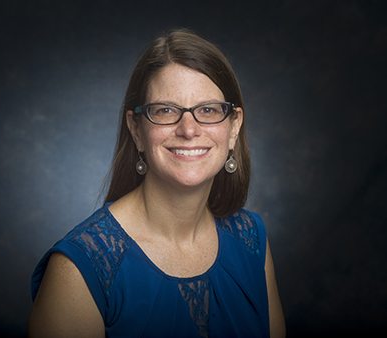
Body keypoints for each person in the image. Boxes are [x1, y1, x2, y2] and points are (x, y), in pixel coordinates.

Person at [28, 29, 285, 338]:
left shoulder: (251, 238)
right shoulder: (79, 268)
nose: (188, 130)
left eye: (208, 110)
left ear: (233, 127)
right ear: (136, 129)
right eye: (166, 110)